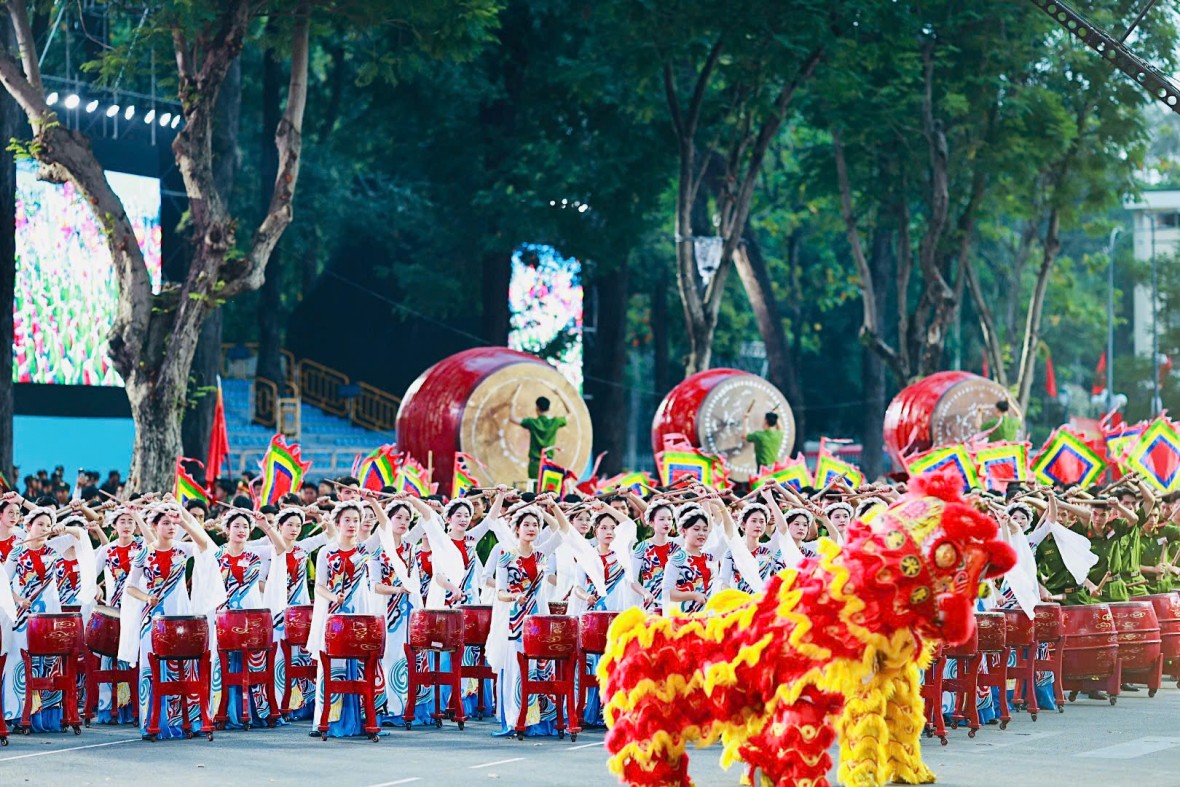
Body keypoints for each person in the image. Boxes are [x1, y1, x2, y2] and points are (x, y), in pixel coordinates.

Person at [120, 501, 220, 740]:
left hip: (182, 620)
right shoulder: (144, 553)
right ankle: (153, 723)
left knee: (185, 669)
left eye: (172, 524)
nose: (170, 527)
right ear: (154, 526)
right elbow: (130, 587)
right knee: (152, 669)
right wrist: (147, 597)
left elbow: (205, 544)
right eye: (165, 523)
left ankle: (188, 721)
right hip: (153, 620)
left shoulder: (182, 549)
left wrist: (183, 519)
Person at [1, 508, 91, 732]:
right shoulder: (16, 552)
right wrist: (19, 599)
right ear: (28, 526)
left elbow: (79, 535)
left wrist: (64, 527)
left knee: (49, 662)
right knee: (19, 660)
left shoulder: (54, 547)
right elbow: (5, 585)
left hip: (50, 616)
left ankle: (46, 715)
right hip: (23, 616)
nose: (44, 529)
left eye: (47, 525)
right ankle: (16, 713)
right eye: (40, 524)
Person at [308, 497, 388, 738]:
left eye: (356, 520)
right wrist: (333, 597)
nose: (352, 524)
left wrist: (373, 502)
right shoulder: (326, 552)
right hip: (335, 614)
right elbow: (319, 586)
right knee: (332, 665)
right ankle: (327, 720)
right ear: (337, 523)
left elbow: (384, 526)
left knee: (362, 664)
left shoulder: (365, 548)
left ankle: (365, 719)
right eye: (347, 520)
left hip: (360, 611)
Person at [491, 499, 569, 737]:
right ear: (517, 528)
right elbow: (500, 592)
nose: (532, 528)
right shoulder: (506, 555)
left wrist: (550, 507)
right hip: (516, 620)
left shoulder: (541, 553)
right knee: (518, 668)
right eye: (526, 524)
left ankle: (541, 720)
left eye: (535, 524)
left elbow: (563, 530)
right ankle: (517, 719)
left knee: (541, 668)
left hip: (538, 618)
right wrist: (515, 597)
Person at [212, 509, 288, 729]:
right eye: (236, 526)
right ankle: (225, 712)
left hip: (252, 618)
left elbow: (281, 548)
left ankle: (258, 711)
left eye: (245, 527)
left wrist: (265, 525)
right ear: (226, 530)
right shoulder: (218, 555)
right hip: (225, 618)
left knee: (254, 665)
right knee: (226, 665)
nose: (241, 530)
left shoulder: (256, 553)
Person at [630, 500, 676, 616]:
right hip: (652, 605)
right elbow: (632, 579)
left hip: (674, 606)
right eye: (661, 519)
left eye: (669, 519)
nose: (666, 523)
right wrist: (645, 593)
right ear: (651, 522)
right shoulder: (642, 547)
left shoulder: (678, 547)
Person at [510, 391, 567, 483]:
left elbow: (512, 418)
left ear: (537, 408)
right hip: (548, 463)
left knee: (535, 490)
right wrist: (559, 393)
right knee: (547, 490)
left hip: (535, 464)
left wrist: (513, 402)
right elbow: (570, 413)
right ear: (549, 408)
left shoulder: (532, 423)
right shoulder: (555, 422)